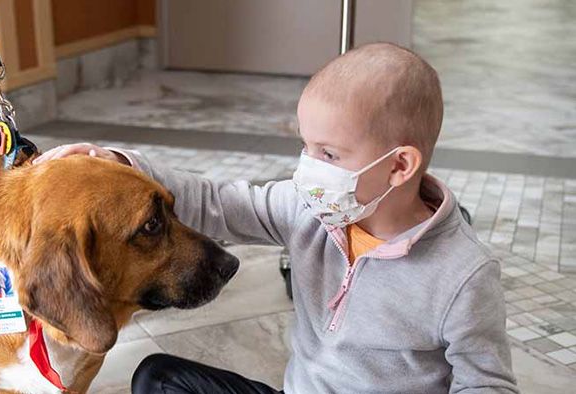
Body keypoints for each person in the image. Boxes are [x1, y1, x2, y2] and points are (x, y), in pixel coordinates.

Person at [34, 42, 518, 394]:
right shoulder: (309, 210)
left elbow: (487, 384)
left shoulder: (464, 274)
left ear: (399, 166)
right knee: (156, 378)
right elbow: (215, 201)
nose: (308, 167)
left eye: (328, 153)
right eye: (306, 146)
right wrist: (123, 165)